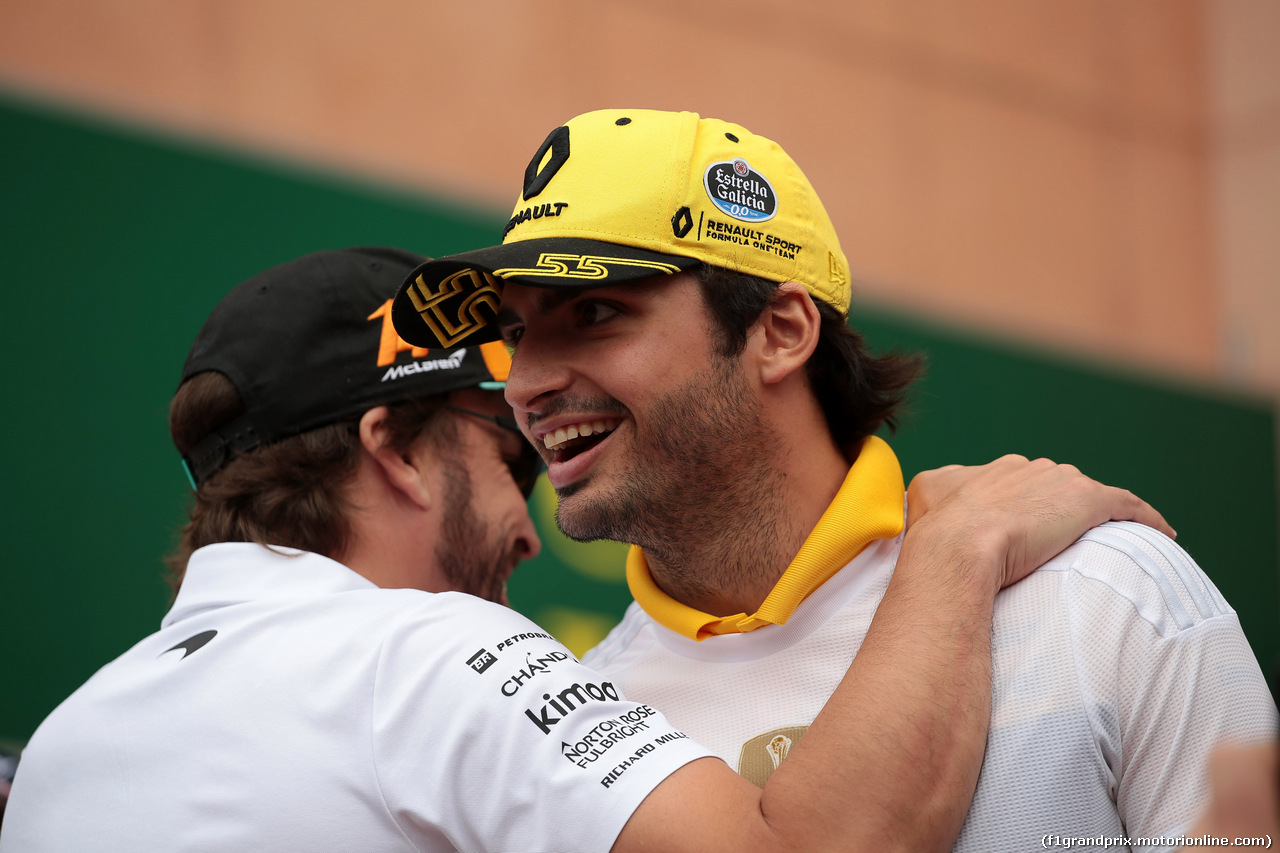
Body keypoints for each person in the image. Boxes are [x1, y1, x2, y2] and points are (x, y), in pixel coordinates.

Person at [0, 246, 1170, 853]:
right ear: (394, 454)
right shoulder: (433, 654)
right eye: (498, 452)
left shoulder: (70, 737)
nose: (526, 517)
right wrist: (951, 545)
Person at [390, 109, 1280, 851]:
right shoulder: (584, 723)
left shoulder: (1106, 592)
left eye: (593, 312)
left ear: (780, 330)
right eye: (514, 332)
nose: (524, 383)